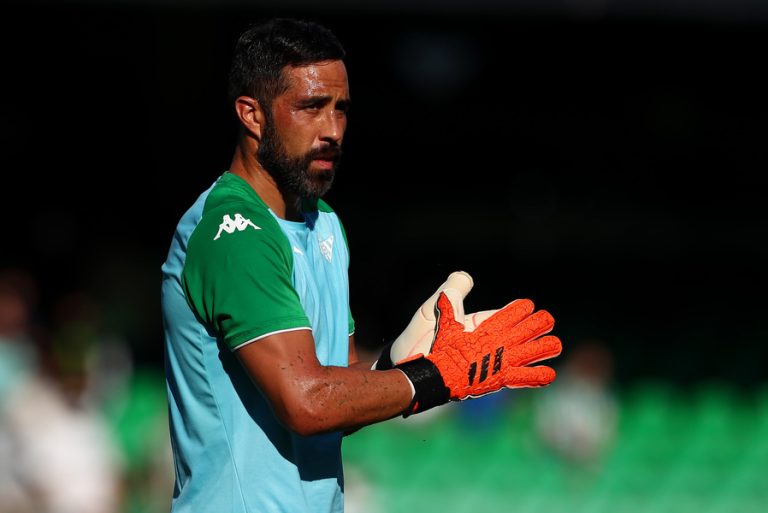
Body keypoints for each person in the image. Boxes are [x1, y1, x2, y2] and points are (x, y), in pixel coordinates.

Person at [160, 17, 563, 513]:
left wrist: (398, 361)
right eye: (311, 107)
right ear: (252, 115)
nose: (333, 130)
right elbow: (307, 402)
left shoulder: (325, 224)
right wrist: (435, 376)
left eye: (341, 109)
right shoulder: (234, 232)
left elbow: (335, 390)